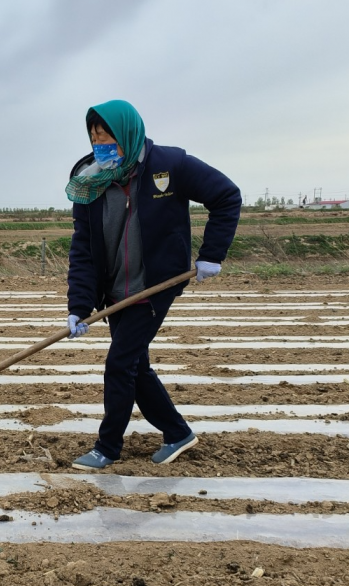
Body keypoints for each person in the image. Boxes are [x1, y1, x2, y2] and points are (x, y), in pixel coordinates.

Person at [65, 100, 240, 469]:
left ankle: (107, 447)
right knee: (135, 365)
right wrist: (79, 306)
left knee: (120, 363)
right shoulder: (90, 182)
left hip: (155, 286)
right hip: (115, 291)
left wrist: (211, 254)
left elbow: (226, 196)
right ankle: (177, 432)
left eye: (107, 137)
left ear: (127, 133)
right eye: (95, 138)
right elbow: (83, 249)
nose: (101, 145)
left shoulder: (170, 165)